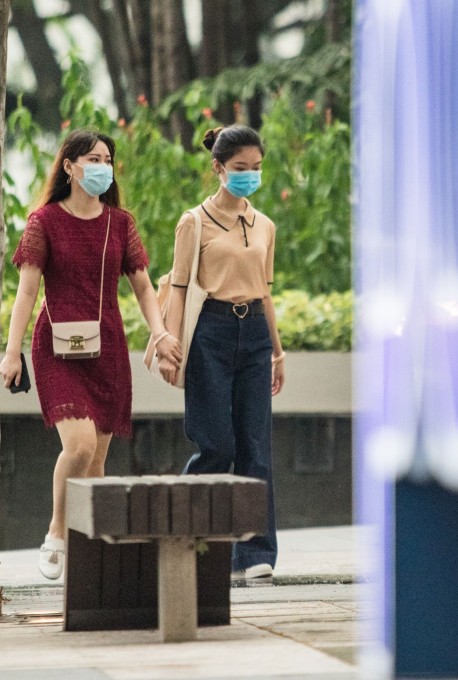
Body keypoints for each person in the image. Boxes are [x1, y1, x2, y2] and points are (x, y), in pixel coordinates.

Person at [0, 128, 182, 579]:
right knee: (78, 446)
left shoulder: (120, 224)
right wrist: (12, 352)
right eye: (92, 159)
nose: (102, 166)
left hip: (107, 349)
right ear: (69, 167)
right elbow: (26, 293)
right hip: (57, 347)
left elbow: (142, 285)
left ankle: (91, 561)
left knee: (97, 462)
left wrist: (159, 334)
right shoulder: (43, 221)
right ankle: (57, 531)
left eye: (107, 159)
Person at [155, 124, 285, 579]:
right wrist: (170, 344)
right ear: (218, 168)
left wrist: (278, 352)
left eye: (255, 168)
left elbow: (265, 292)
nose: (249, 175)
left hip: (254, 338)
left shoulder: (264, 225)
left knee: (256, 447)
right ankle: (183, 539)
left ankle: (254, 554)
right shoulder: (195, 221)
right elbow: (178, 285)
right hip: (209, 331)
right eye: (239, 168)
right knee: (216, 444)